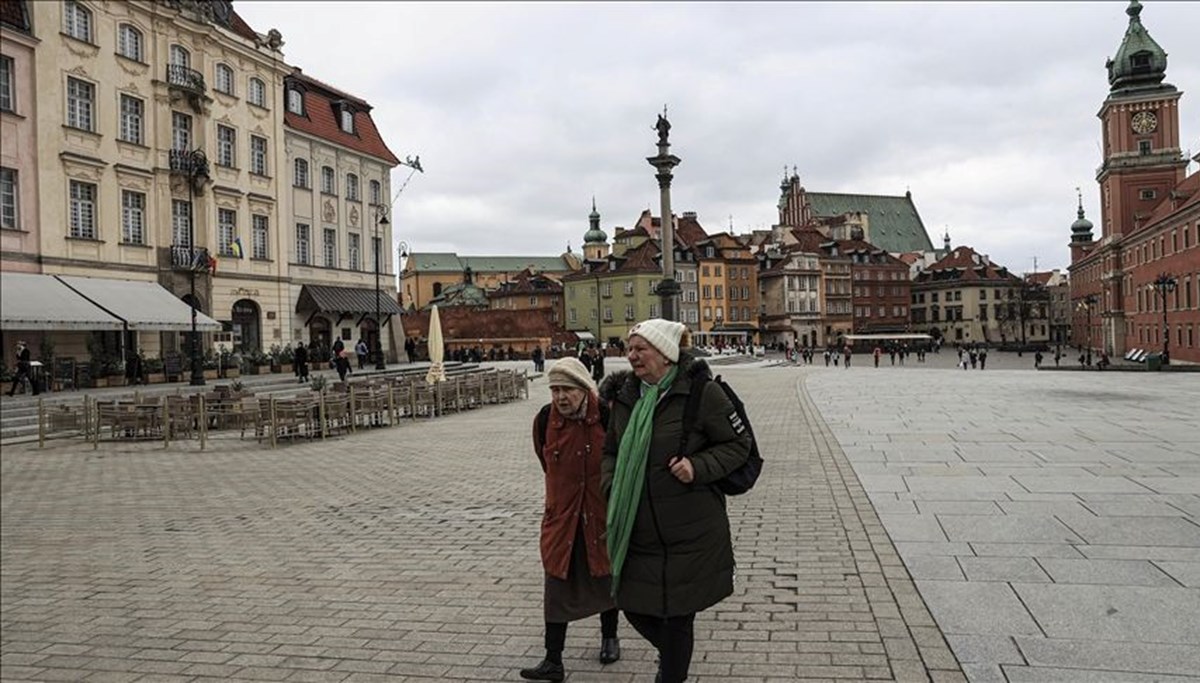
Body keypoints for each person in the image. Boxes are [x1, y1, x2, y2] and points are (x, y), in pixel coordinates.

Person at [602, 319, 751, 683]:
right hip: (635, 528)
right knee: (632, 606)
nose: (631, 356)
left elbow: (738, 445)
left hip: (690, 533)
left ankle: (671, 674)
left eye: (641, 349)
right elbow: (611, 450)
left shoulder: (700, 393)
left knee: (678, 617)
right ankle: (672, 658)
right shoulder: (625, 396)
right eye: (629, 348)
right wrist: (610, 483)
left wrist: (697, 467)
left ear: (666, 355)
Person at [520, 357, 621, 682]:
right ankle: (553, 660)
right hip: (562, 517)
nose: (561, 397)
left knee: (605, 577)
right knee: (556, 585)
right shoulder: (545, 419)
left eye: (567, 390)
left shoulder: (606, 415)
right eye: (555, 390)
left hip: (599, 514)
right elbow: (545, 460)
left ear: (583, 389)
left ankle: (610, 638)